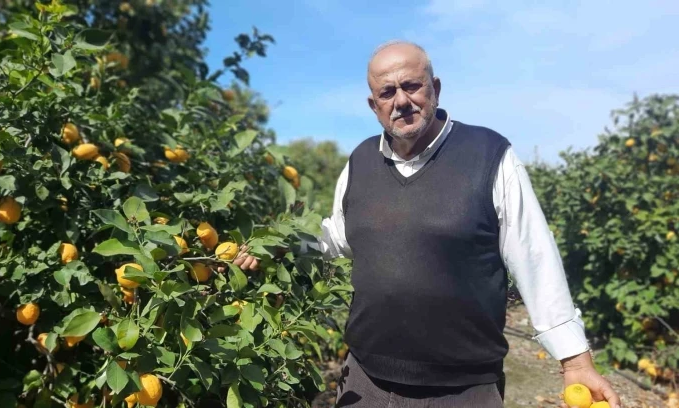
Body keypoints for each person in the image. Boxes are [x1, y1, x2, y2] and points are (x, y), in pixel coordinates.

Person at [230, 40, 621, 408]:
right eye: (387, 93)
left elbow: (534, 255)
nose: (401, 101)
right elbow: (339, 234)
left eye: (411, 86)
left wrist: (575, 360)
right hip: (365, 381)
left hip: (463, 389)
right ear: (374, 104)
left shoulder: (488, 155)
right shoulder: (360, 161)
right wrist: (279, 244)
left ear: (434, 87)